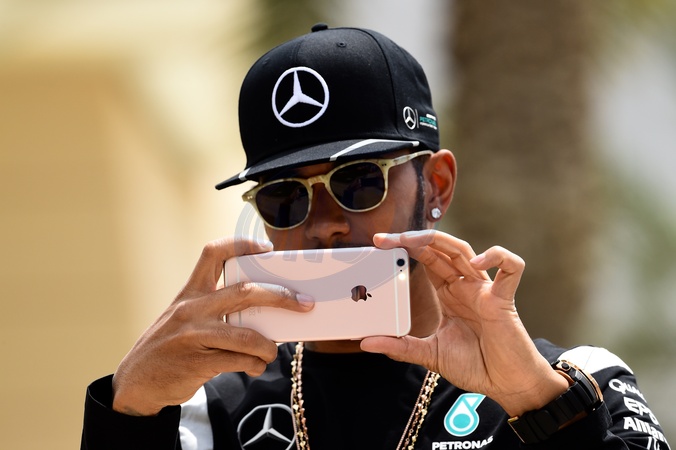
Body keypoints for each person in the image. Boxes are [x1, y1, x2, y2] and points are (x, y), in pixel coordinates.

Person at [81, 24, 671, 450]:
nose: (323, 223)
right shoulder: (207, 413)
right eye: (284, 196)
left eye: (359, 182)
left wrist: (541, 406)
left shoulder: (576, 382)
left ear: (436, 185)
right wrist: (126, 412)